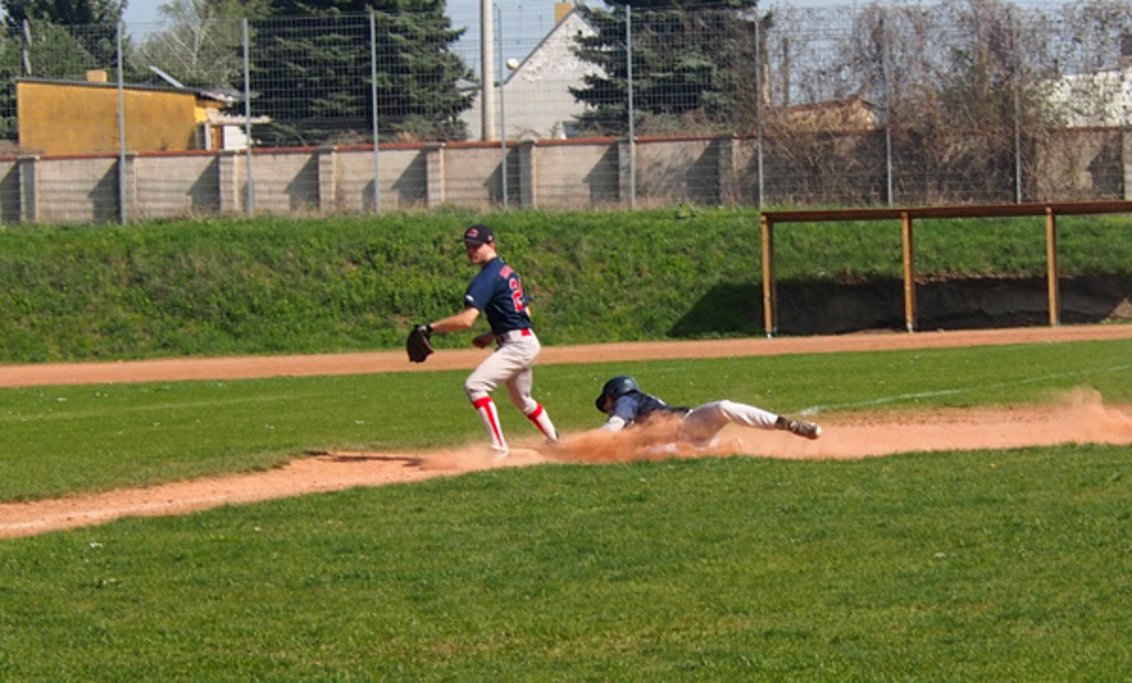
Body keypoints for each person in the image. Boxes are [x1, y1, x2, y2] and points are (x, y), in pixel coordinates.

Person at [421, 224, 558, 459]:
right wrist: (493, 334)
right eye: (468, 246)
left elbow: (466, 320)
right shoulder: (507, 271)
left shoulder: (487, 277)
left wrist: (429, 328)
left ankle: (499, 448)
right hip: (524, 340)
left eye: (477, 245)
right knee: (522, 399)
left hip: (517, 345)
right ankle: (556, 441)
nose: (471, 250)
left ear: (491, 245)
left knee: (475, 386)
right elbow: (523, 313)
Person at [593, 375, 821, 449]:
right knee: (650, 454)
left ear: (616, 392)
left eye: (607, 401)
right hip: (685, 443)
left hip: (690, 425)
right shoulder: (637, 405)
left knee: (723, 407)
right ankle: (720, 451)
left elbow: (614, 426)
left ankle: (788, 424)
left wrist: (585, 442)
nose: (608, 408)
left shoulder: (628, 399)